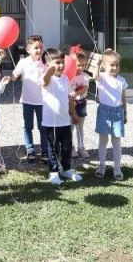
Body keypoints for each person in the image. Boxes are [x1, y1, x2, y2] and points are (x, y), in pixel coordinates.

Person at [40, 48, 83, 186]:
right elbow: (45, 80)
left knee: (66, 147)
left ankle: (66, 168)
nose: (61, 65)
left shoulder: (65, 79)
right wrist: (49, 72)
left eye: (62, 62)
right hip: (50, 123)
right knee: (52, 149)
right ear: (48, 65)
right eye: (57, 62)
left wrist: (74, 113)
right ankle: (53, 172)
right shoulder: (46, 78)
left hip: (64, 121)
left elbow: (69, 98)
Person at [10, 35, 47, 162]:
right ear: (28, 49)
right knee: (27, 126)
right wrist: (12, 77)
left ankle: (45, 150)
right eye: (36, 48)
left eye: (41, 47)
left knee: (43, 127)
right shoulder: (24, 62)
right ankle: (30, 149)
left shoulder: (46, 61)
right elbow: (16, 74)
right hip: (27, 100)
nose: (39, 50)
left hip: (42, 101)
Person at [94, 49, 129, 181]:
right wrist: (98, 65)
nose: (114, 67)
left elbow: (123, 98)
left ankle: (117, 168)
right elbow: (95, 75)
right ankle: (102, 166)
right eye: (111, 65)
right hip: (104, 112)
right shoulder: (101, 78)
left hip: (117, 112)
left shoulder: (121, 80)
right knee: (103, 141)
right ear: (104, 65)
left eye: (117, 65)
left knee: (116, 142)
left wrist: (125, 112)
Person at [70, 52, 90, 159]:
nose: (80, 67)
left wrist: (76, 93)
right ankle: (71, 148)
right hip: (70, 104)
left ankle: (81, 147)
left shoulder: (85, 76)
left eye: (83, 65)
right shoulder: (68, 76)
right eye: (78, 65)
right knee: (70, 127)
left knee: (80, 127)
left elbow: (85, 88)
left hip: (81, 104)